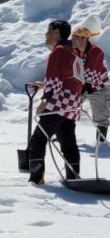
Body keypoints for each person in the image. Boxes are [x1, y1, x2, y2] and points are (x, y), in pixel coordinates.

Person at [27, 20, 84, 184]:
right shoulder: (74, 52)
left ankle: (36, 179)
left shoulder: (58, 51)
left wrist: (45, 100)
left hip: (58, 103)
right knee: (68, 144)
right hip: (72, 105)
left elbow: (55, 80)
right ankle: (74, 179)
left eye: (48, 30)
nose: (46, 34)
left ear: (56, 32)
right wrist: (44, 85)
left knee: (38, 140)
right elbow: (70, 79)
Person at [72, 25, 108, 143]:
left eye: (76, 37)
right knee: (68, 109)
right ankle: (64, 136)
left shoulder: (96, 52)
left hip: (97, 87)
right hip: (80, 86)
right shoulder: (73, 51)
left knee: (101, 115)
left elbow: (91, 70)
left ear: (85, 39)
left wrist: (82, 87)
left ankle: (101, 142)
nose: (73, 39)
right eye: (73, 36)